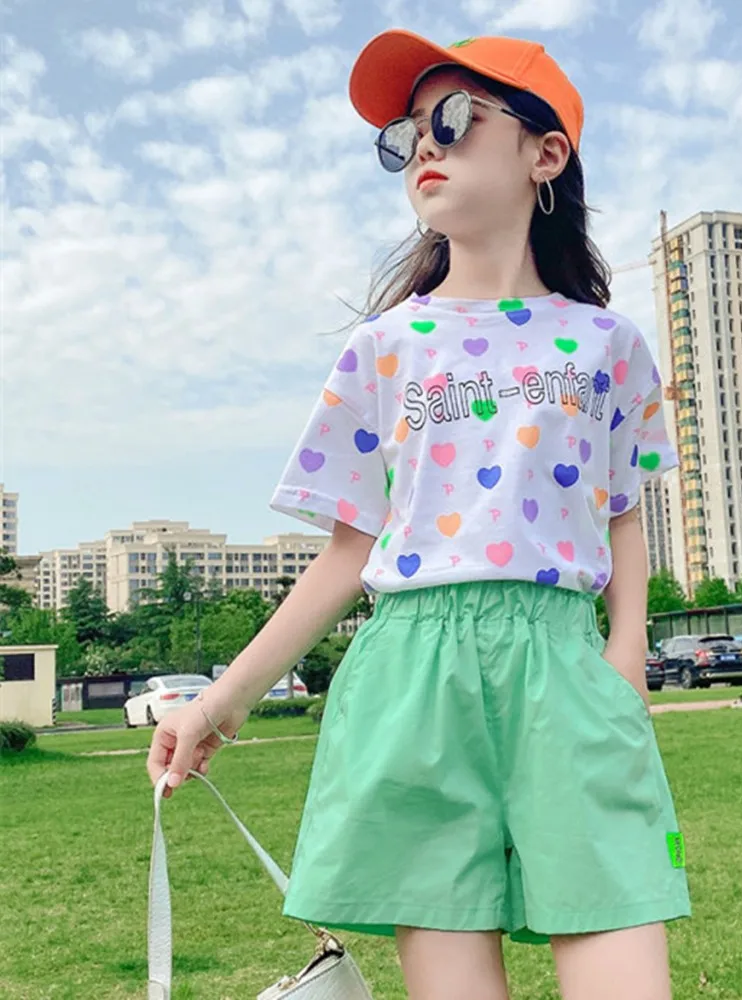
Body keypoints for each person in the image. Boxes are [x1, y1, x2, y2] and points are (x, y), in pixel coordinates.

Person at [147, 29, 691, 1000]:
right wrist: (219, 700)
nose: (422, 147)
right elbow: (345, 554)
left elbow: (622, 513)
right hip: (411, 674)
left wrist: (624, 651)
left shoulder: (608, 345)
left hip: (565, 668)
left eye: (451, 118)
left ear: (544, 153)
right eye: (404, 135)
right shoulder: (382, 349)